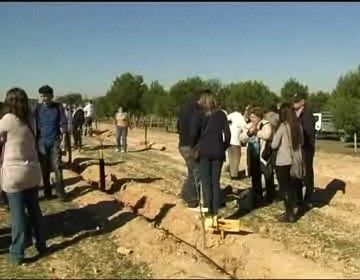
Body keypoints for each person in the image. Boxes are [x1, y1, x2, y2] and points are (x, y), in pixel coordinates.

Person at [0, 87, 47, 265]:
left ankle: (17, 252)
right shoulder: (31, 120)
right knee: (35, 210)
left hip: (14, 174)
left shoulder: (7, 120)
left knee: (17, 215)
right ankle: (41, 243)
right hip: (33, 171)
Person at [190, 90, 231, 219]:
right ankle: (215, 212)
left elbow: (193, 135)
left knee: (206, 183)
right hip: (218, 152)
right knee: (215, 182)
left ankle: (208, 212)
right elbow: (228, 135)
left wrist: (194, 147)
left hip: (204, 152)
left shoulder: (199, 115)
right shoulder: (221, 115)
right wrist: (223, 147)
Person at [271, 102, 304, 223]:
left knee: (285, 189)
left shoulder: (282, 127)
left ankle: (289, 214)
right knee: (293, 187)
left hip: (283, 161)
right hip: (296, 160)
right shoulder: (299, 126)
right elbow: (303, 143)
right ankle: (293, 210)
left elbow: (274, 145)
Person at [34, 85, 67, 201]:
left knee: (57, 167)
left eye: (46, 96)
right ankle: (47, 192)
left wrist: (64, 139)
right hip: (41, 142)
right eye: (42, 96)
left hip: (55, 141)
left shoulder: (58, 107)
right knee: (44, 168)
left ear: (52, 96)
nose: (44, 99)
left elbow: (63, 122)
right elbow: (33, 124)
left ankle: (60, 193)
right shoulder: (37, 109)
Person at [240, 106, 275, 207]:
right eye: (251, 117)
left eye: (254, 117)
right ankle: (257, 196)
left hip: (263, 155)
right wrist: (249, 133)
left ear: (259, 117)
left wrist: (256, 132)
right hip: (252, 155)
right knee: (255, 177)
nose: (252, 119)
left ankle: (270, 196)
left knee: (268, 175)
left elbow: (267, 135)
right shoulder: (248, 126)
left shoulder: (266, 124)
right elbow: (242, 138)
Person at [177, 91, 202, 209]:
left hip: (182, 144)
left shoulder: (184, 109)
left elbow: (178, 126)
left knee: (192, 171)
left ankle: (184, 194)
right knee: (197, 172)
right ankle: (192, 199)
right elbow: (195, 130)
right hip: (190, 146)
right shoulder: (196, 111)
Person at [293, 92, 316, 209]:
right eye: (294, 101)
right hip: (300, 147)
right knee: (300, 172)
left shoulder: (307, 114)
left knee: (307, 172)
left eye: (296, 101)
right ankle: (300, 196)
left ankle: (308, 198)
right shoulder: (297, 113)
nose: (294, 104)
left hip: (307, 148)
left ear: (303, 101)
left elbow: (307, 133)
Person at [227, 106, 247, 179]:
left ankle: (231, 172)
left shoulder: (230, 116)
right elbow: (245, 128)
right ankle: (234, 175)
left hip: (228, 139)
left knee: (230, 157)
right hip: (236, 140)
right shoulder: (240, 118)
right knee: (236, 157)